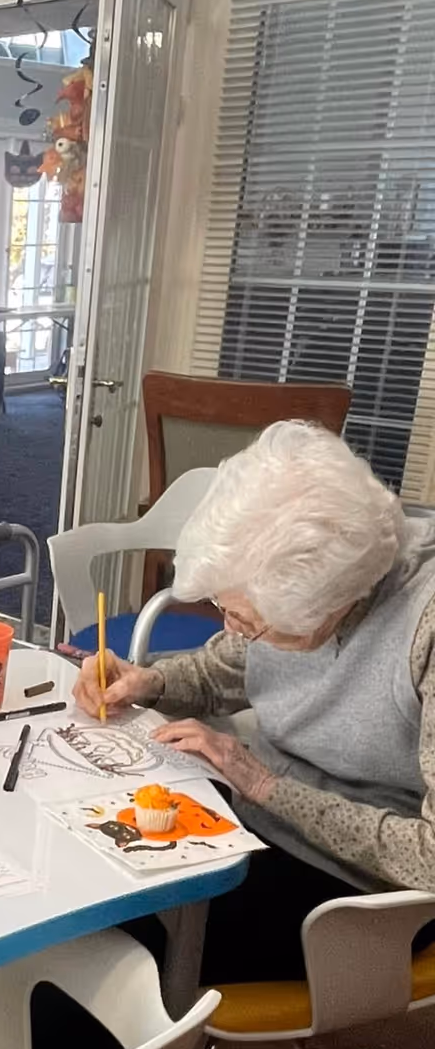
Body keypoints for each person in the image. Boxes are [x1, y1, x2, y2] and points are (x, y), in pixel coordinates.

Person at [73, 419, 435, 984]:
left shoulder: (421, 626)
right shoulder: (295, 587)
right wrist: (149, 682)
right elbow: (223, 668)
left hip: (361, 896)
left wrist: (265, 784)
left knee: (117, 957)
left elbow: (429, 860)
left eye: (249, 621)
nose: (233, 630)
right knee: (87, 883)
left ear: (332, 604)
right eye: (226, 610)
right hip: (249, 823)